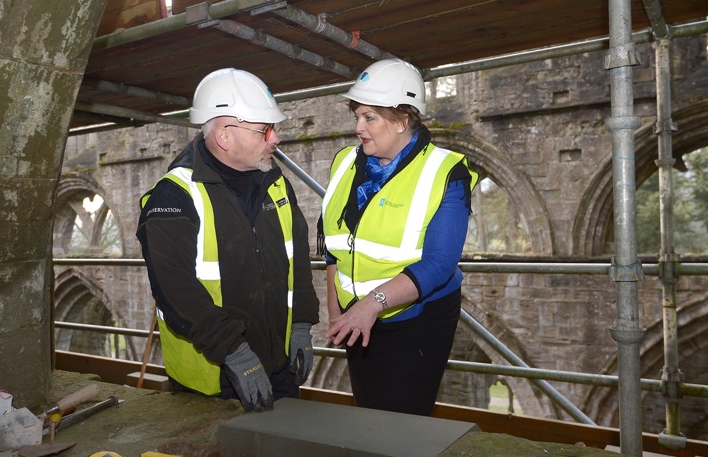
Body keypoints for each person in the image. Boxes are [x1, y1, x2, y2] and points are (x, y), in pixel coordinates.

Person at [137, 68, 319, 412]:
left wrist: (303, 323)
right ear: (224, 136)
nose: (275, 139)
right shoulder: (175, 196)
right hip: (214, 381)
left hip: (279, 368)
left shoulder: (275, 183)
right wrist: (234, 351)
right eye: (265, 130)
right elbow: (174, 288)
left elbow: (297, 260)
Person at [319, 59, 479, 416]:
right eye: (356, 116)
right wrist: (335, 309)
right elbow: (333, 245)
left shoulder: (446, 171)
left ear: (403, 119)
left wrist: (371, 304)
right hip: (356, 315)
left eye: (370, 118)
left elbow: (439, 263)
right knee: (368, 409)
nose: (358, 127)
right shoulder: (344, 162)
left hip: (417, 319)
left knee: (403, 418)